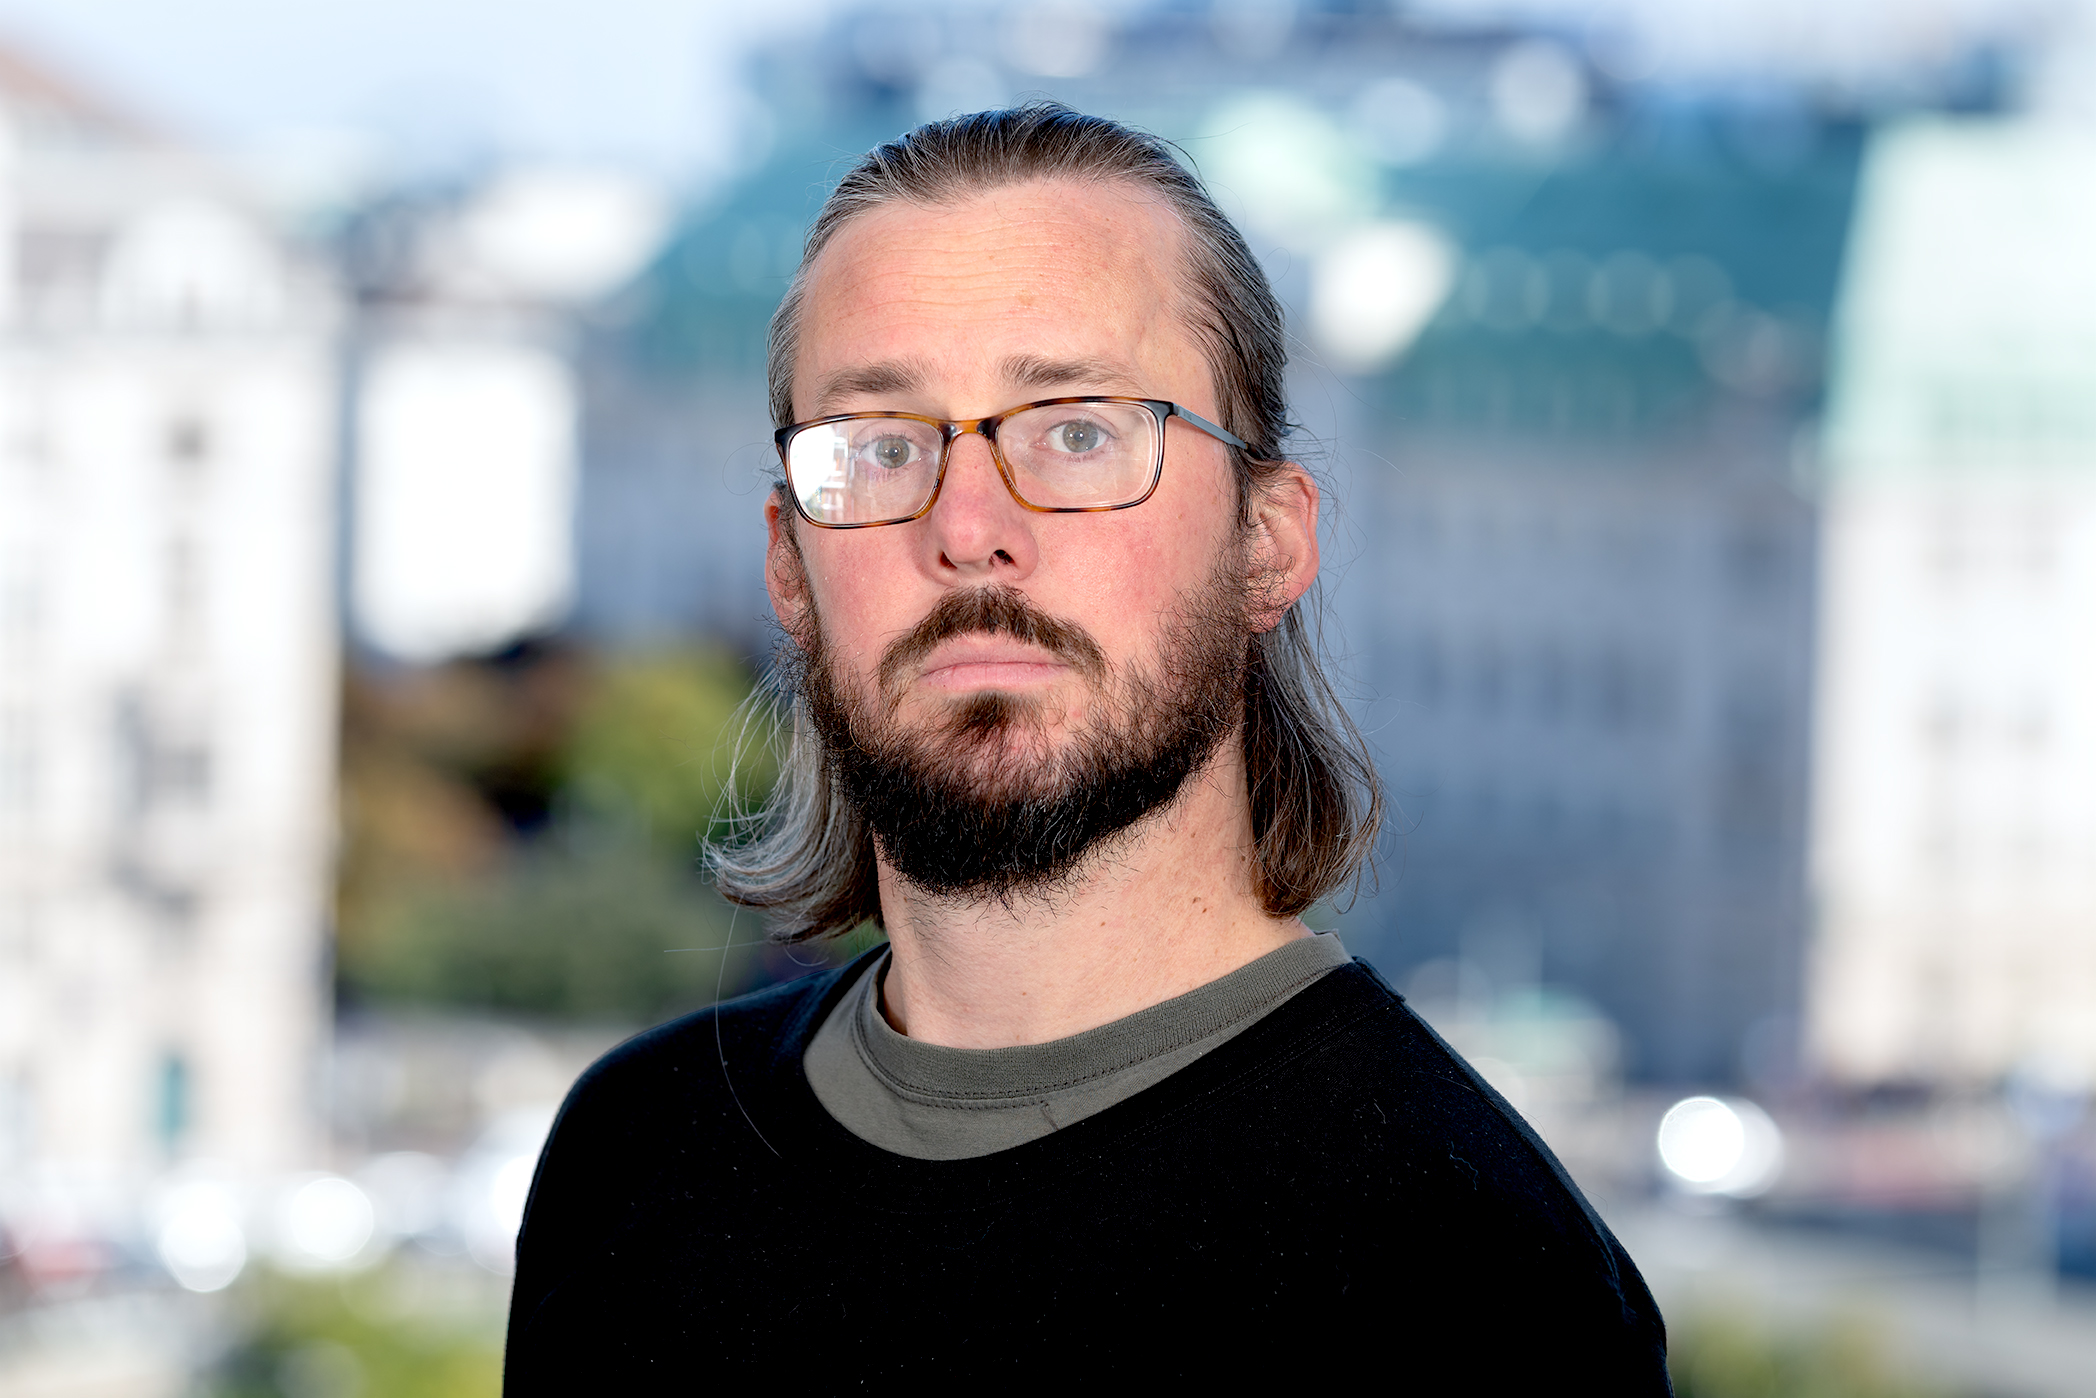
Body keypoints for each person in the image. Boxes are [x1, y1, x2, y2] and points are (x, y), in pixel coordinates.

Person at [505, 103, 1672, 1389]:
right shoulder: (633, 1153)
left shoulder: (1466, 1281)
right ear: (790, 565)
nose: (966, 531)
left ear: (1267, 542)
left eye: (1075, 432)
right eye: (882, 448)